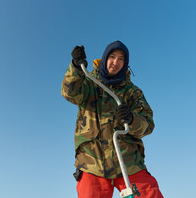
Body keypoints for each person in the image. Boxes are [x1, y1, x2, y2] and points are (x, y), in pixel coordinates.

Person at [61, 41, 163, 198]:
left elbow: (147, 124)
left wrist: (131, 119)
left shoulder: (132, 92)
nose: (116, 62)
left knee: (150, 194)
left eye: (121, 59)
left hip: (128, 163)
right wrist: (75, 67)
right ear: (105, 58)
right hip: (92, 163)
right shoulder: (89, 83)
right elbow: (70, 93)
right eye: (112, 57)